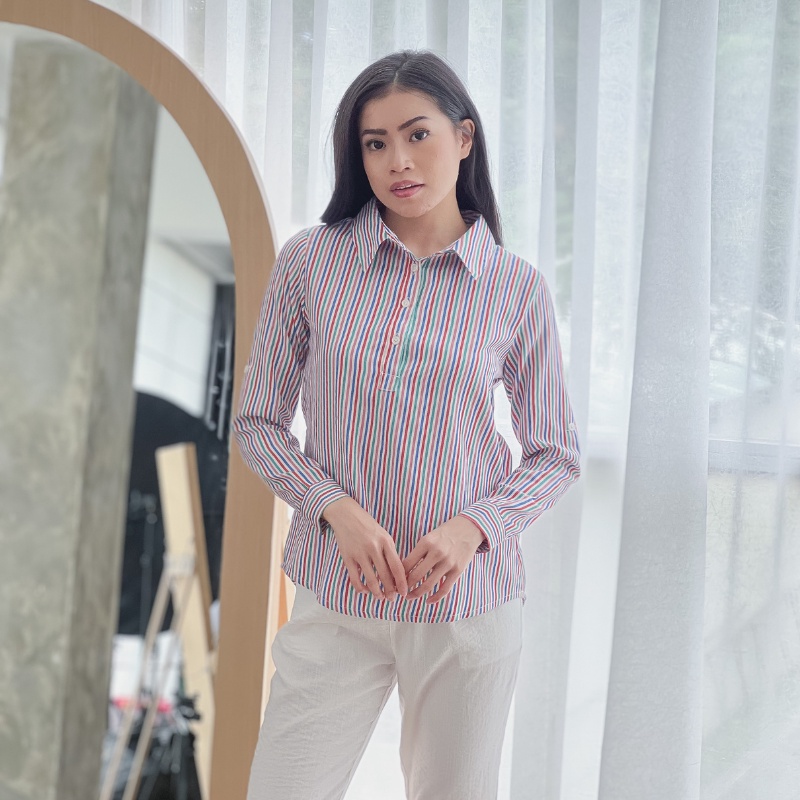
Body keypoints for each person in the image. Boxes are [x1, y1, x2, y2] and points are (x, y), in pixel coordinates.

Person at [234, 49, 580, 800]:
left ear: (464, 137)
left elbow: (555, 453)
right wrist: (333, 508)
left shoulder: (515, 288)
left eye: (417, 134)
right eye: (375, 143)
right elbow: (258, 422)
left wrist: (475, 528)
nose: (398, 161)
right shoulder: (310, 263)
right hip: (336, 595)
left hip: (467, 604)